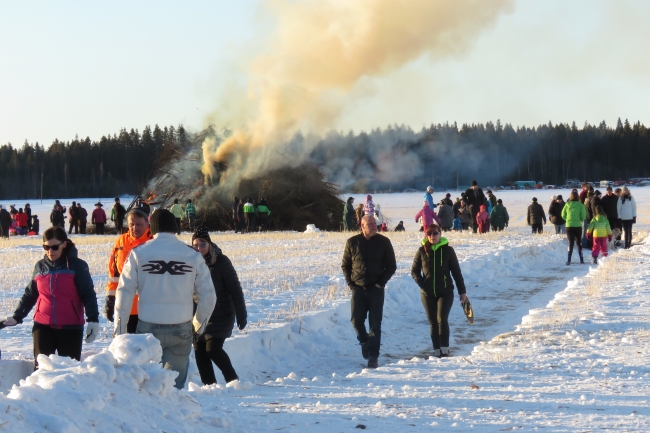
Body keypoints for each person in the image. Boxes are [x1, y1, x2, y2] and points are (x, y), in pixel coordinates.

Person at [114, 209, 216, 389]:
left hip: (147, 327)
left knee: (146, 385)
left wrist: (120, 331)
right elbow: (208, 296)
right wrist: (198, 326)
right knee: (174, 388)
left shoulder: (139, 253)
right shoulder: (192, 255)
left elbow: (124, 292)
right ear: (175, 228)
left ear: (152, 229)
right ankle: (174, 412)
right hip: (181, 327)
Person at [2, 227, 99, 365]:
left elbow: (88, 294)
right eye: (46, 247)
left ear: (64, 244)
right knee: (41, 370)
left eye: (54, 247)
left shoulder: (77, 266)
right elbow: (30, 294)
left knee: (68, 371)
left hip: (70, 328)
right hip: (42, 326)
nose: (50, 251)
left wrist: (93, 319)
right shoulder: (40, 266)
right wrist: (17, 316)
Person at [191, 226, 247, 385]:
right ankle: (210, 387)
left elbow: (235, 289)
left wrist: (241, 314)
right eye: (196, 245)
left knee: (212, 349)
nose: (199, 248)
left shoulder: (221, 262)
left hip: (221, 315)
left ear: (209, 244)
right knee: (199, 352)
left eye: (203, 244)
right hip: (199, 316)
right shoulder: (190, 263)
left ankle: (233, 381)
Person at [341, 215, 397, 369]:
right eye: (370, 224)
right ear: (362, 226)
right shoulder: (352, 242)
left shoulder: (384, 242)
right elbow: (345, 265)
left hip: (375, 290)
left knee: (375, 324)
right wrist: (351, 284)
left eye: (375, 223)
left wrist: (380, 283)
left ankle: (373, 356)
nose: (374, 226)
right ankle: (364, 341)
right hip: (358, 289)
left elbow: (391, 266)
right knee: (356, 320)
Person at [411, 222, 468, 358]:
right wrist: (422, 284)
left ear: (440, 234)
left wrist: (462, 292)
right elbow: (414, 271)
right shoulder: (422, 251)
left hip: (445, 291)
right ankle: (436, 350)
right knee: (433, 322)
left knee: (442, 319)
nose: (432, 236)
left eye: (435, 233)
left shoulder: (448, 251)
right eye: (429, 233)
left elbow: (456, 272)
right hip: (427, 293)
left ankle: (445, 349)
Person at [104, 208, 154, 334]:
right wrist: (110, 298)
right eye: (131, 224)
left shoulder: (154, 241)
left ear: (147, 223)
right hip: (126, 307)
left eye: (139, 225)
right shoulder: (121, 242)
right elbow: (114, 274)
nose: (135, 228)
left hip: (149, 308)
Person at [561, 190, 587, 265]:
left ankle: (569, 260)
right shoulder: (581, 205)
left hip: (569, 226)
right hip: (578, 225)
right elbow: (584, 216)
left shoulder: (567, 204)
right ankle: (581, 260)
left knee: (570, 243)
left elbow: (563, 215)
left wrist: (568, 219)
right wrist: (580, 220)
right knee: (579, 243)